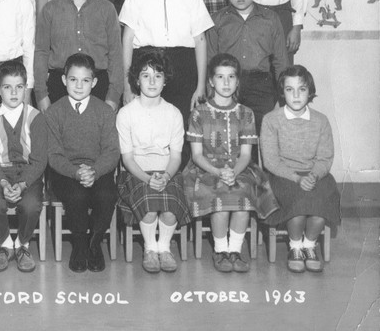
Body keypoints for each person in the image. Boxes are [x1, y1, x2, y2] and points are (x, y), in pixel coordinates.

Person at [183, 54, 279, 273]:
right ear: (211, 81)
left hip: (239, 168)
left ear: (237, 82)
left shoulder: (246, 114)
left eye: (231, 77)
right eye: (220, 77)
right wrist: (218, 172)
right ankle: (220, 250)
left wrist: (233, 172)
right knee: (219, 192)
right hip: (205, 168)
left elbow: (245, 155)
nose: (226, 82)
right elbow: (197, 155)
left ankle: (234, 250)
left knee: (243, 192)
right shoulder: (199, 113)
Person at [119, 0, 214, 132]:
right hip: (146, 64)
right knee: (145, 126)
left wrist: (200, 85)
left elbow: (200, 40)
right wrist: (127, 85)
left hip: (183, 67)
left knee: (182, 125)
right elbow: (127, 39)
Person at [116, 49, 190, 273]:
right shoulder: (126, 113)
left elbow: (175, 156)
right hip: (136, 172)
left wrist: (166, 176)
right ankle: (150, 248)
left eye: (157, 76)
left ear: (165, 81)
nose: (151, 81)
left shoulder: (174, 113)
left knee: (170, 207)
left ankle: (164, 248)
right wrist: (148, 179)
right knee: (148, 206)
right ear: (136, 80)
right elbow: (127, 158)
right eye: (145, 75)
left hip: (167, 171)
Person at [45, 54, 120, 273]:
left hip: (98, 169)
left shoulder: (104, 111)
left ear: (94, 82)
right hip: (66, 172)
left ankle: (94, 243)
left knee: (106, 194)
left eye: (85, 80)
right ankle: (79, 244)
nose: (79, 86)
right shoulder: (54, 112)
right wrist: (75, 172)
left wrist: (94, 171)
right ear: (64, 80)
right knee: (77, 196)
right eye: (73, 79)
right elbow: (54, 155)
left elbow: (111, 151)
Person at [261, 65, 340, 273]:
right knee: (297, 199)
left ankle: (309, 245)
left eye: (302, 89)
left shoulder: (321, 120)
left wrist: (314, 175)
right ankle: (295, 247)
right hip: (283, 175)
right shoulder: (271, 120)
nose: (296, 95)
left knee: (322, 198)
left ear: (310, 91)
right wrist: (297, 178)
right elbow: (271, 161)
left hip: (314, 174)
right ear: (282, 92)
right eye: (290, 89)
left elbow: (325, 157)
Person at [34, 0, 123, 112]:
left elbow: (116, 54)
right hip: (59, 84)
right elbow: (41, 52)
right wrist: (41, 95)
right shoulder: (50, 9)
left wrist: (113, 97)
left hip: (98, 84)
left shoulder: (107, 9)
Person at [0, 60, 48, 273]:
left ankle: (22, 244)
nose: (14, 92)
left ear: (25, 88)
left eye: (19, 87)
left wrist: (23, 183)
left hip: (28, 173)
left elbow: (39, 159)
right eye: (7, 87)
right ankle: (5, 245)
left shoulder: (36, 118)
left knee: (31, 205)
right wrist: (1, 182)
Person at [207, 0, 289, 135]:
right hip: (226, 85)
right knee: (228, 137)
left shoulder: (271, 19)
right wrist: (210, 93)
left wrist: (282, 97)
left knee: (262, 136)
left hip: (262, 87)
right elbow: (210, 61)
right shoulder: (216, 20)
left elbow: (281, 62)